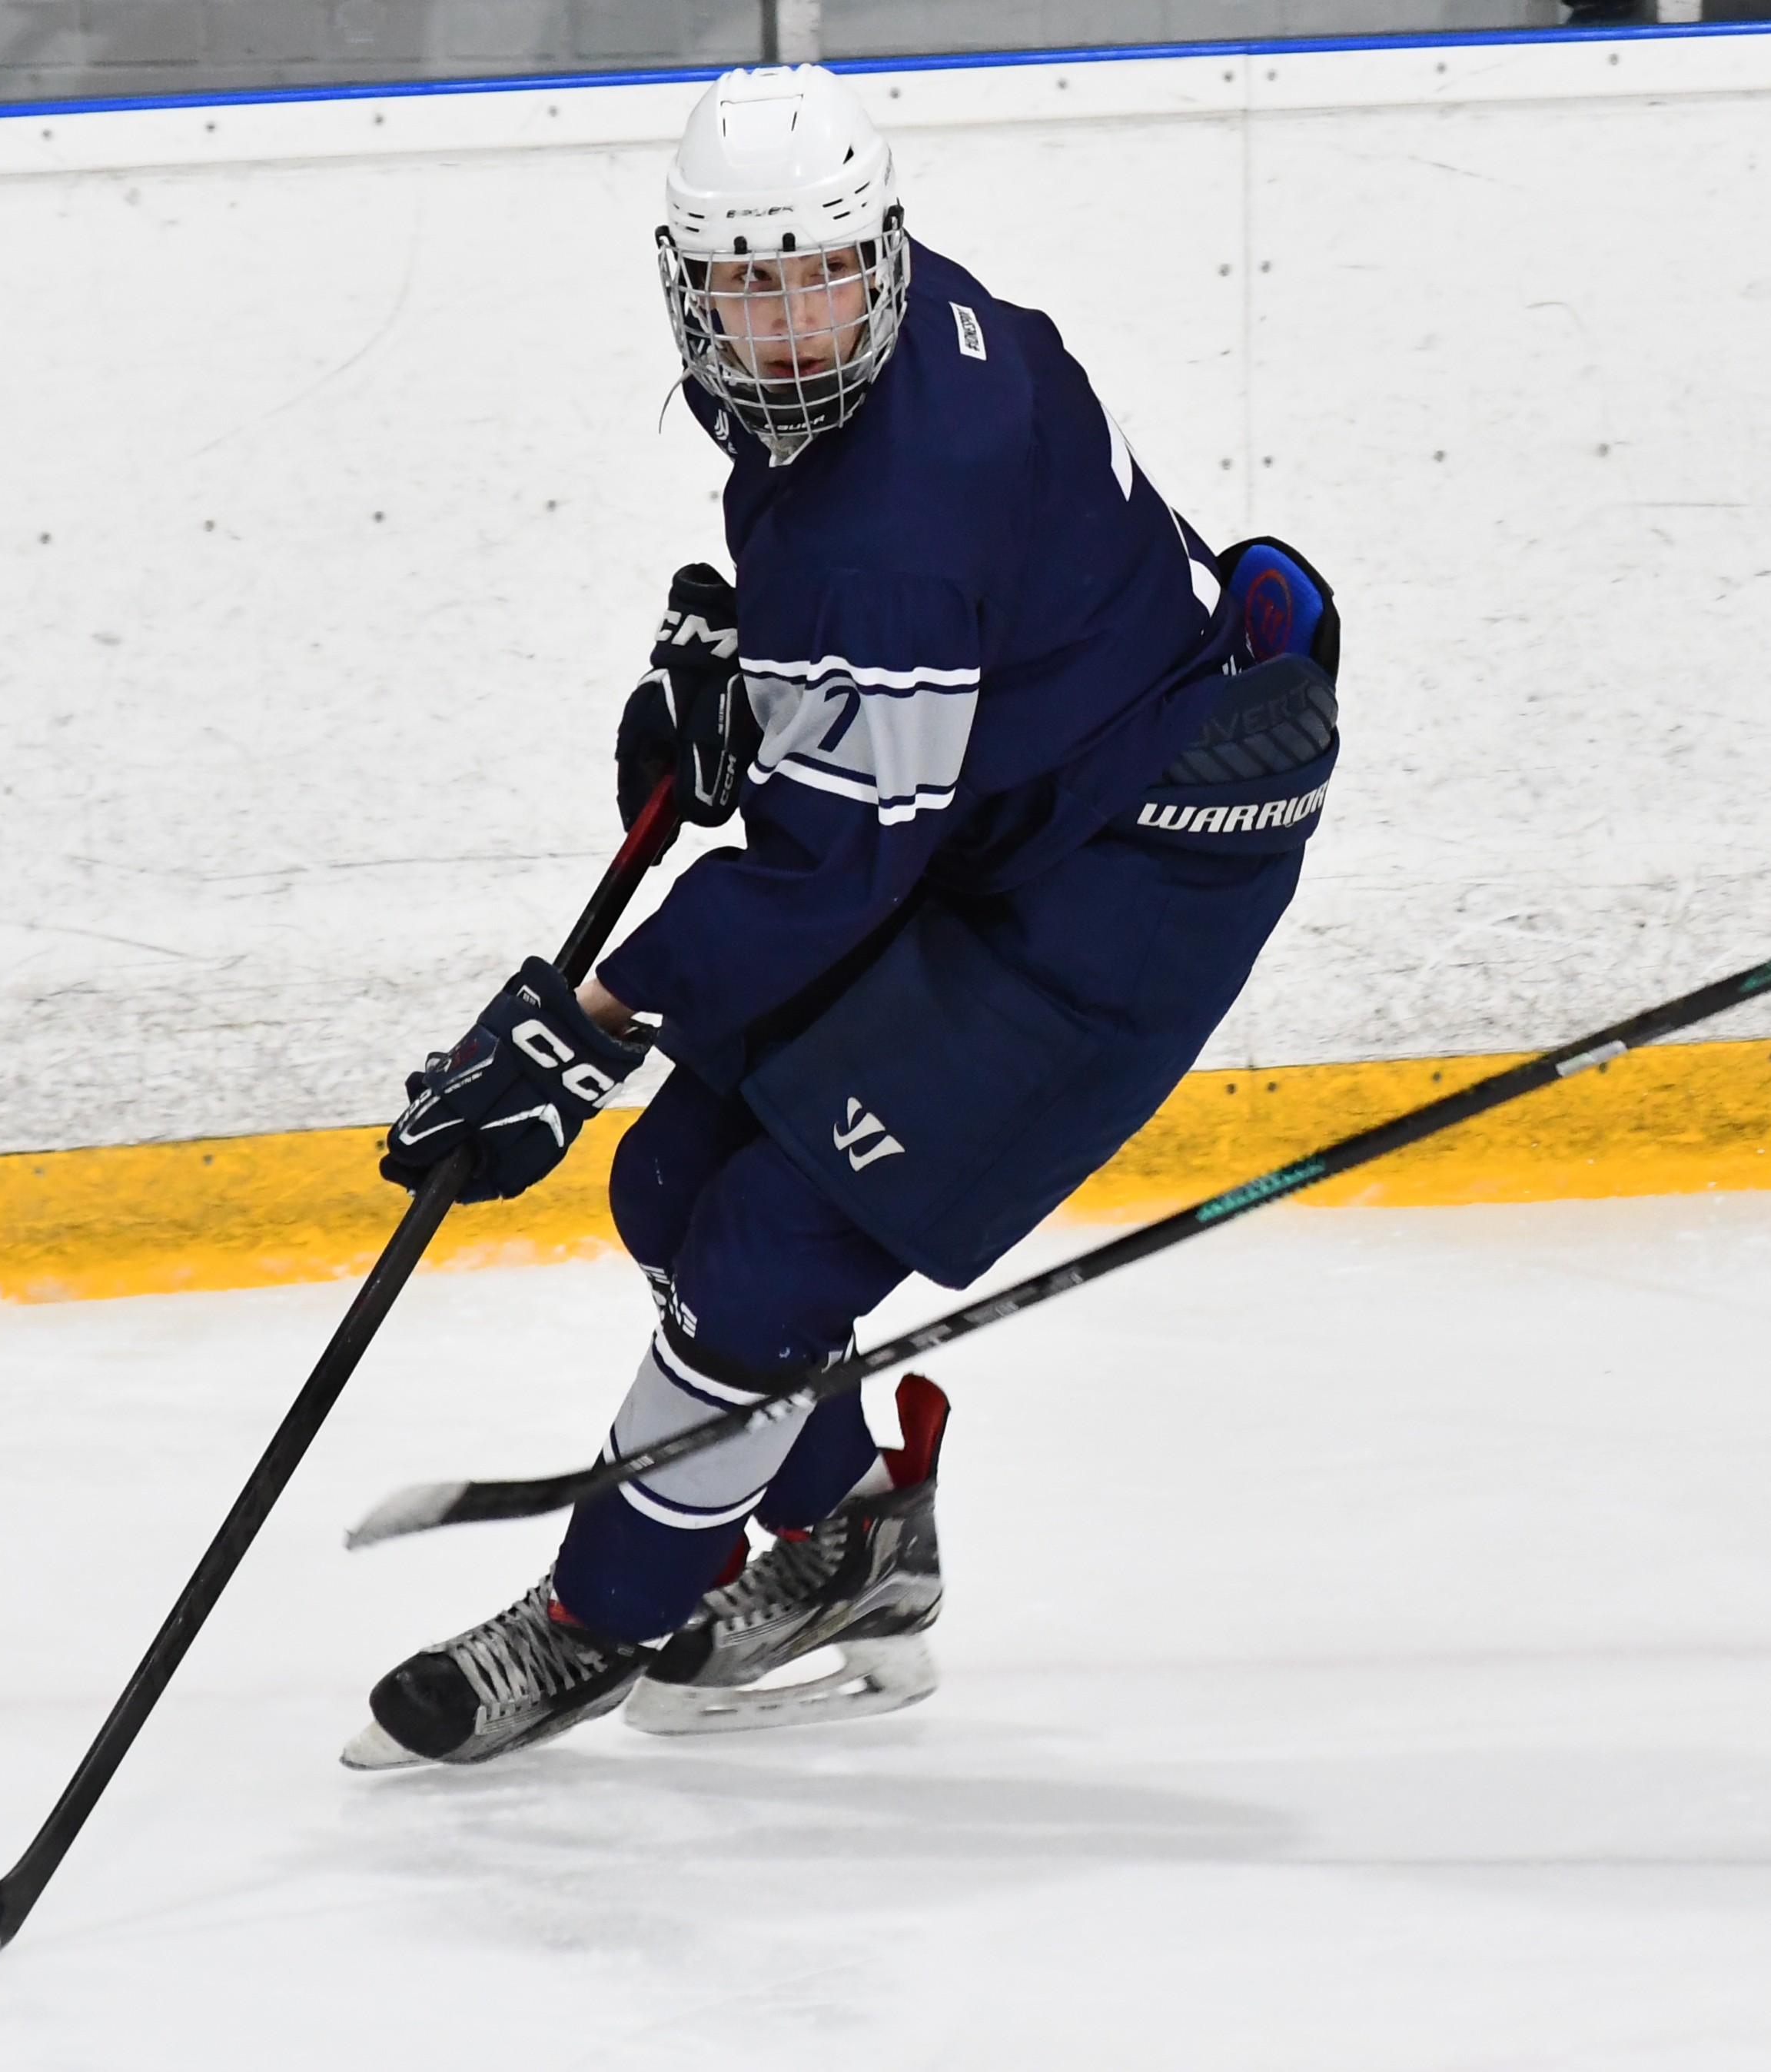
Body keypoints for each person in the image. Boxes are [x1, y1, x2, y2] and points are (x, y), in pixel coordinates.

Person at [344, 65, 1342, 1768]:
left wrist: (587, 1028)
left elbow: (838, 861)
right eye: (746, 282)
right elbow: (969, 634)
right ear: (689, 279)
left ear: (879, 252)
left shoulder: (895, 504)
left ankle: (599, 1620)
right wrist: (765, 683)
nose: (791, 323)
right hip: (1014, 806)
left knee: (765, 1256)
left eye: (816, 275)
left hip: (1135, 870)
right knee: (670, 1183)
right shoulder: (916, 353)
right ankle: (858, 1540)